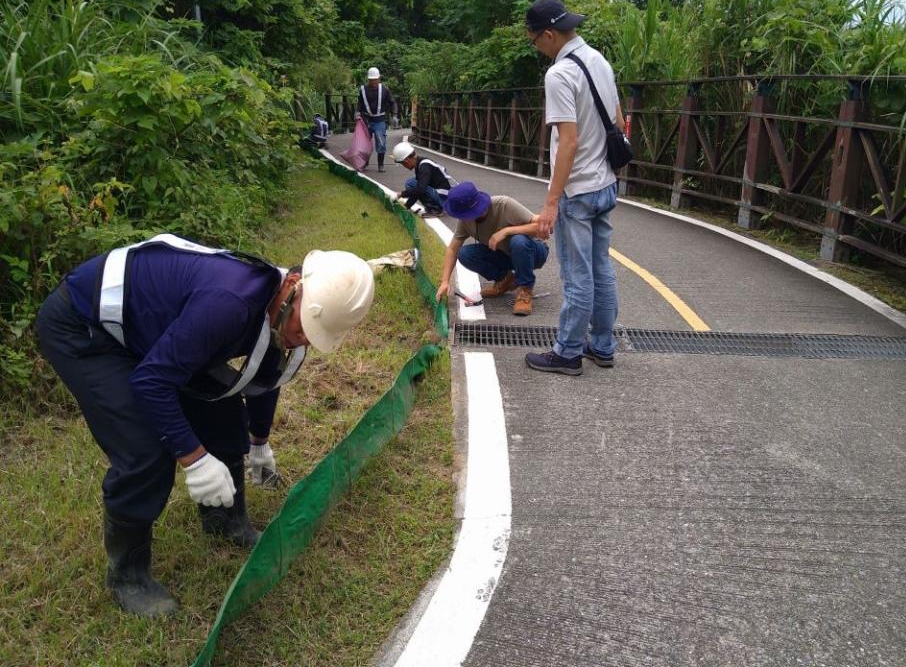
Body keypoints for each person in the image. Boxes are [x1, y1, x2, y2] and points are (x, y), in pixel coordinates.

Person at [34, 234, 375, 617]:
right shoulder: (230, 304)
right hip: (85, 327)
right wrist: (195, 459)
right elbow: (151, 382)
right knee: (145, 449)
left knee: (224, 414)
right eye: (304, 327)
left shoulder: (276, 306)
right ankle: (127, 577)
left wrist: (259, 442)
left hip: (150, 331)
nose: (302, 339)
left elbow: (263, 375)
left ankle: (224, 521)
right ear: (294, 287)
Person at [523, 0, 624, 376]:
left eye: (535, 41)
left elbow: (568, 141)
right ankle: (602, 345)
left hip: (577, 190)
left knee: (577, 275)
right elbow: (618, 119)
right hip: (606, 184)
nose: (537, 49)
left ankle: (566, 353)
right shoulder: (600, 60)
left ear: (548, 34)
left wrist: (551, 202)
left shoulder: (559, 74)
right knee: (602, 268)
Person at [435, 182, 549, 316]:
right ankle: (505, 280)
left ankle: (525, 289)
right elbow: (452, 249)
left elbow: (542, 226)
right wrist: (445, 281)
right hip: (505, 255)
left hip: (533, 252)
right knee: (464, 254)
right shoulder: (465, 220)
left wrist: (507, 231)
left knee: (518, 240)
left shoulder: (504, 205)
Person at [391, 141, 455, 217]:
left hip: (446, 197)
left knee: (412, 183)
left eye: (402, 163)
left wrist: (401, 194)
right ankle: (433, 208)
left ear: (406, 161)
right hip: (443, 193)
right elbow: (418, 190)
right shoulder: (420, 164)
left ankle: (435, 209)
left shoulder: (424, 167)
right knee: (413, 183)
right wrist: (407, 206)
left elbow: (420, 189)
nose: (404, 166)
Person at [357, 67, 397, 172]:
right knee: (365, 143)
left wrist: (395, 115)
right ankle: (365, 162)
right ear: (368, 80)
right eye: (371, 80)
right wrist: (357, 113)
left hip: (379, 120)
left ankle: (380, 165)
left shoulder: (385, 90)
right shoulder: (363, 90)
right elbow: (360, 103)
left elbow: (392, 102)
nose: (373, 82)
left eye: (375, 80)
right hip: (366, 120)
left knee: (381, 143)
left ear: (379, 79)